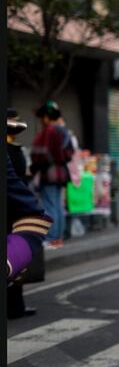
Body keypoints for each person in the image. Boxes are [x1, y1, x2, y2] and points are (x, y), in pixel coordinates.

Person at [7, 110, 46, 319]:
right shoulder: (11, 149)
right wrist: (34, 211)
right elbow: (15, 182)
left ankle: (15, 305)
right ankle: (14, 307)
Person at [30, 100, 73, 249]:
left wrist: (35, 167)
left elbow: (44, 154)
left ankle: (52, 239)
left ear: (47, 117)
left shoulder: (49, 131)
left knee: (50, 206)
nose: (41, 120)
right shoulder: (64, 131)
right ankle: (58, 238)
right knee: (58, 205)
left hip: (49, 173)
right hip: (61, 172)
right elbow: (69, 153)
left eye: (42, 117)